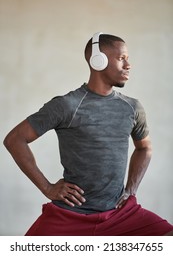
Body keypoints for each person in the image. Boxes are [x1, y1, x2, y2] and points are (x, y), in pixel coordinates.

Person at [3, 32, 173, 236]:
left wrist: (131, 190)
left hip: (120, 215)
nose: (129, 65)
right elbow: (15, 140)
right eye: (121, 58)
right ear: (98, 61)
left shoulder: (132, 108)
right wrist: (47, 188)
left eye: (127, 58)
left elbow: (144, 148)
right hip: (69, 216)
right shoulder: (67, 105)